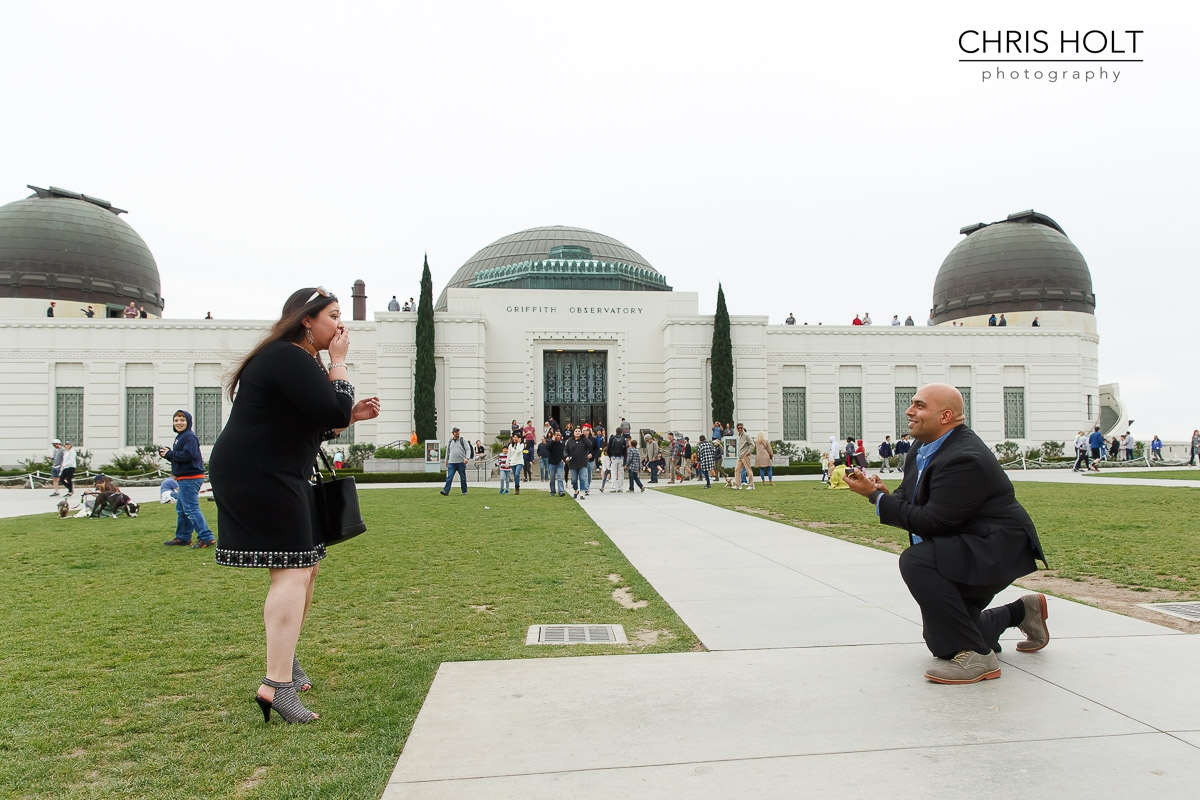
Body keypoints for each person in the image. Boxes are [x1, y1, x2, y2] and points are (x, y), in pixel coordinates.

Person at [207, 286, 380, 724]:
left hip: (274, 470)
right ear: (308, 320)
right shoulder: (288, 356)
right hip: (260, 474)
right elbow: (332, 408)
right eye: (334, 315)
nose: (342, 326)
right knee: (293, 568)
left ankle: (285, 661)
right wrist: (339, 365)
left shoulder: (292, 360)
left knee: (306, 566)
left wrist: (349, 416)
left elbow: (315, 420)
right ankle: (276, 685)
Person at [843, 383, 1048, 685]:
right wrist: (882, 492)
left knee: (917, 561)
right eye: (912, 404)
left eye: (919, 405)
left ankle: (979, 657)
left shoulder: (964, 457)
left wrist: (875, 500)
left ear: (946, 416)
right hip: (964, 544)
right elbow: (909, 495)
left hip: (994, 549)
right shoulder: (922, 447)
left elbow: (933, 522)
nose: (909, 411)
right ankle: (1021, 612)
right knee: (943, 645)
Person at [160, 410, 216, 548]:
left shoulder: (189, 437)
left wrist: (170, 454)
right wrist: (169, 455)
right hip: (184, 477)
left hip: (190, 478)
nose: (179, 423)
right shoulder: (181, 437)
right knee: (182, 509)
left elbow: (188, 455)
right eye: (176, 420)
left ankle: (206, 537)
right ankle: (183, 537)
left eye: (182, 420)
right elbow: (180, 456)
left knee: (190, 508)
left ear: (188, 421)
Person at [442, 428, 471, 495]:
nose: (457, 433)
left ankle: (464, 491)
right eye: (455, 432)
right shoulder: (450, 441)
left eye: (458, 431)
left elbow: (468, 449)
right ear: (453, 433)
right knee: (449, 477)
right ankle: (446, 491)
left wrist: (467, 458)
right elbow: (448, 451)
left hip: (461, 462)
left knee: (463, 477)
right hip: (452, 462)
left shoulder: (462, 440)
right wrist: (446, 460)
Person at [565, 426, 592, 499]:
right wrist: (566, 456)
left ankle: (582, 493)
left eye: (579, 431)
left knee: (582, 478)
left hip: (582, 462)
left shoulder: (584, 440)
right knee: (574, 479)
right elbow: (566, 450)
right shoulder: (570, 441)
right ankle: (576, 490)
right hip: (573, 463)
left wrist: (583, 437)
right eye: (576, 431)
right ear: (573, 433)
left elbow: (589, 445)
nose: (577, 432)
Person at [734, 423, 756, 489]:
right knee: (737, 470)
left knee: (748, 470)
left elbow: (752, 444)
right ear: (737, 429)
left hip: (745, 455)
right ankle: (738, 485)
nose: (740, 429)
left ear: (743, 428)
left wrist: (748, 452)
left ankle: (751, 485)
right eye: (738, 428)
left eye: (741, 428)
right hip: (740, 455)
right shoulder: (739, 436)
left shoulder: (746, 435)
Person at [547, 429, 566, 497]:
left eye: (559, 435)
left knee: (560, 478)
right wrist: (552, 441)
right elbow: (548, 448)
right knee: (552, 479)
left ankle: (561, 491)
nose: (558, 436)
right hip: (552, 463)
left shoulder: (562, 443)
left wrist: (563, 460)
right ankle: (552, 491)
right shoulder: (550, 442)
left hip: (559, 463)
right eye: (557, 435)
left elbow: (563, 452)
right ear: (554, 435)